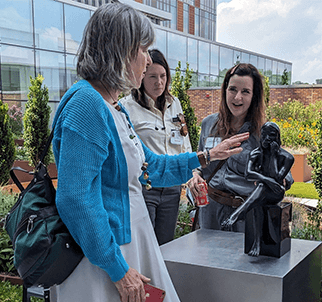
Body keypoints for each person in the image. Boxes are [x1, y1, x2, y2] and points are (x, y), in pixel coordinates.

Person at [48, 3, 249, 302]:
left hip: (125, 251)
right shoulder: (87, 105)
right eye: (142, 50)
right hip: (101, 262)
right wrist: (118, 269)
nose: (147, 60)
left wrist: (207, 156)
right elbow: (74, 198)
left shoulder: (111, 105)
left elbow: (150, 168)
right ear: (119, 51)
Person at [187, 63, 293, 232]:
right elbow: (200, 165)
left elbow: (286, 174)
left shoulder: (262, 132)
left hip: (245, 216)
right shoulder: (209, 124)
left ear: (254, 96)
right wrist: (195, 175)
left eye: (245, 92)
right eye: (233, 89)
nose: (237, 98)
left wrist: (280, 178)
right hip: (210, 213)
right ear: (225, 91)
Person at [121, 49, 192, 245]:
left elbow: (184, 140)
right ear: (142, 76)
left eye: (163, 76)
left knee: (166, 245)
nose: (159, 82)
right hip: (145, 187)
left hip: (172, 187)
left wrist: (192, 173)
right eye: (152, 76)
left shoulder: (174, 103)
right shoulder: (126, 106)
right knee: (145, 245)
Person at [221, 122, 294, 255]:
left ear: (277, 139)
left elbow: (277, 176)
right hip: (263, 191)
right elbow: (248, 174)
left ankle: (237, 214)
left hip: (276, 193)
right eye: (264, 135)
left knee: (260, 189)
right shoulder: (255, 153)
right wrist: (266, 180)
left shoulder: (287, 157)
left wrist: (272, 156)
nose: (266, 139)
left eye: (271, 136)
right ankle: (257, 243)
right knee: (259, 202)